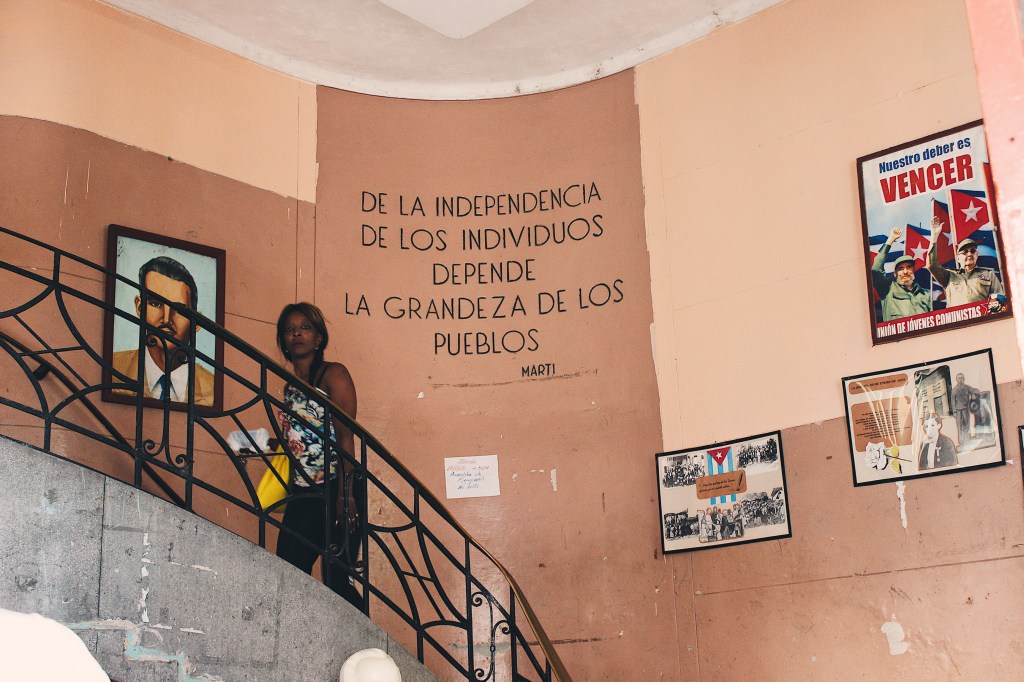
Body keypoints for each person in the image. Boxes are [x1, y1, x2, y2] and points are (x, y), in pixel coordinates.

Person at [275, 302, 364, 610]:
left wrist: (345, 495)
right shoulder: (290, 387)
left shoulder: (333, 374)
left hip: (338, 486)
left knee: (337, 578)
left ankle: (365, 639)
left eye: (305, 327)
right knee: (288, 568)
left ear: (319, 338)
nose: (297, 334)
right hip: (304, 490)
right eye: (289, 329)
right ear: (283, 340)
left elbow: (345, 437)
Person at [111, 256, 215, 405]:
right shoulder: (113, 369)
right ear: (139, 308)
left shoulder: (213, 389)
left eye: (180, 310)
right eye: (155, 304)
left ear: (197, 322)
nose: (166, 319)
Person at [927, 217, 1004, 307]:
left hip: (983, 315)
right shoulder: (949, 276)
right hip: (957, 316)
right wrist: (934, 237)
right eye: (965, 252)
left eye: (972, 251)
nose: (969, 254)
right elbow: (932, 265)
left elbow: (999, 300)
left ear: (977, 255)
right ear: (958, 258)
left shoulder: (989, 274)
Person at [871, 227, 931, 321]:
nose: (905, 271)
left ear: (914, 270)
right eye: (901, 269)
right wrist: (891, 239)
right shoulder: (887, 289)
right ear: (895, 273)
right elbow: (876, 269)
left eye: (909, 267)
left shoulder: (926, 294)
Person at [951, 373, 979, 441]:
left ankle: (967, 439)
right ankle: (961, 440)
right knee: (960, 425)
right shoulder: (954, 390)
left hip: (966, 409)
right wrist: (954, 412)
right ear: (956, 380)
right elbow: (953, 401)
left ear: (964, 379)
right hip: (958, 410)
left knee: (967, 424)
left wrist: (973, 394)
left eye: (961, 378)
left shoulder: (967, 387)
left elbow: (976, 390)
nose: (960, 380)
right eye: (959, 378)